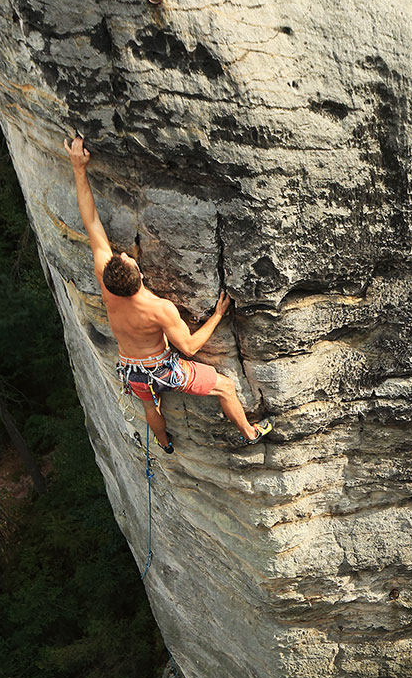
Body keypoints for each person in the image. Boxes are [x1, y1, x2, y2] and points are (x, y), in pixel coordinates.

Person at [66, 136, 272, 452]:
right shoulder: (158, 308)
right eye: (127, 258)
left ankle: (164, 443)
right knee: (226, 388)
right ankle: (249, 432)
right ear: (138, 275)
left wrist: (78, 168)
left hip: (131, 370)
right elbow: (188, 346)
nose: (125, 255)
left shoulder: (107, 285)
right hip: (164, 370)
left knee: (151, 407)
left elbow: (90, 220)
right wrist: (217, 315)